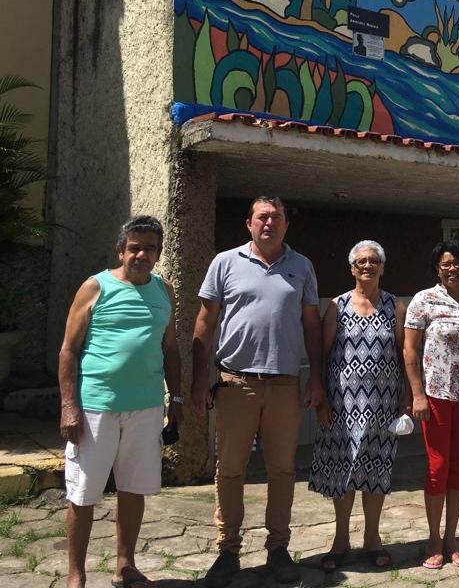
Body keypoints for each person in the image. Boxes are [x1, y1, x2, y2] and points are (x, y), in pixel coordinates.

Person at [191, 196, 323, 587]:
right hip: (235, 384)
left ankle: (278, 549)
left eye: (277, 217)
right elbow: (204, 321)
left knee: (282, 471)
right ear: (249, 223)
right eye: (263, 217)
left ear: (286, 225)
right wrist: (199, 380)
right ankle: (228, 551)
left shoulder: (302, 267)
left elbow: (312, 326)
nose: (270, 223)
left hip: (284, 384)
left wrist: (316, 376)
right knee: (230, 470)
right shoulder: (225, 263)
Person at [58, 216, 182, 588]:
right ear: (121, 250)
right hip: (96, 408)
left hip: (145, 409)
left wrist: (174, 399)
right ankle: (76, 574)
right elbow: (68, 351)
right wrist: (69, 405)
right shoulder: (95, 287)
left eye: (150, 248)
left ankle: (124, 566)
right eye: (134, 247)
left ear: (159, 253)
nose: (142, 254)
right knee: (83, 492)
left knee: (134, 487)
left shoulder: (165, 291)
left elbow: (171, 349)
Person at [309, 240, 406, 571]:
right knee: (343, 471)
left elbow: (404, 353)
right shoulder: (337, 306)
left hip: (384, 403)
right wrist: (319, 395)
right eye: (361, 261)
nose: (368, 265)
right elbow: (322, 354)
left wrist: (407, 395)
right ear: (352, 268)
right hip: (342, 405)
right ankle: (340, 540)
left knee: (376, 470)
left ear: (382, 267)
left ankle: (373, 538)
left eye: (374, 261)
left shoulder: (396, 306)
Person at [403, 240, 459, 569]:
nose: (453, 268)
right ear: (437, 267)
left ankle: (453, 538)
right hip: (435, 396)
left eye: (458, 263)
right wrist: (417, 394)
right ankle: (434, 539)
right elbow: (410, 351)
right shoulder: (424, 300)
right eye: (446, 263)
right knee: (437, 468)